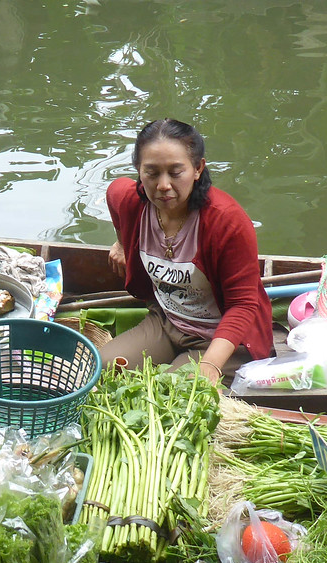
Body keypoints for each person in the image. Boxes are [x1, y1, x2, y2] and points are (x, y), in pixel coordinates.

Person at [99, 120, 274, 383]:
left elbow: (243, 304)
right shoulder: (132, 203)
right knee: (102, 369)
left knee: (169, 395)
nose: (163, 186)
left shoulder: (227, 221)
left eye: (175, 172)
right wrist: (122, 242)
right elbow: (114, 192)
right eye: (152, 172)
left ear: (197, 169)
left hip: (220, 339)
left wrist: (211, 365)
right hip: (168, 320)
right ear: (139, 170)